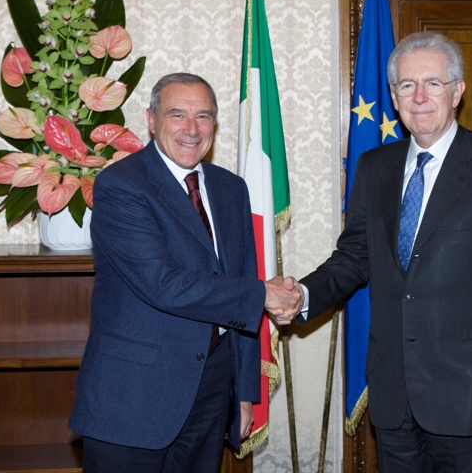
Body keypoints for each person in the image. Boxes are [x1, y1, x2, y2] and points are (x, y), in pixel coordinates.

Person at [295, 32, 472, 472]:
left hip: (468, 386)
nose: (421, 96)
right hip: (394, 388)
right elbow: (354, 256)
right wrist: (302, 295)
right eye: (407, 85)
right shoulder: (375, 168)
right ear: (393, 96)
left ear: (458, 90)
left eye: (434, 82)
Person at [68, 73, 302, 472]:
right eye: (177, 114)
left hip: (211, 388)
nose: (192, 129)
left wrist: (244, 392)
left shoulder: (231, 188)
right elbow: (163, 285)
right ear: (151, 119)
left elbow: (242, 284)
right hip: (134, 395)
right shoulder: (121, 186)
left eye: (204, 116)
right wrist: (264, 294)